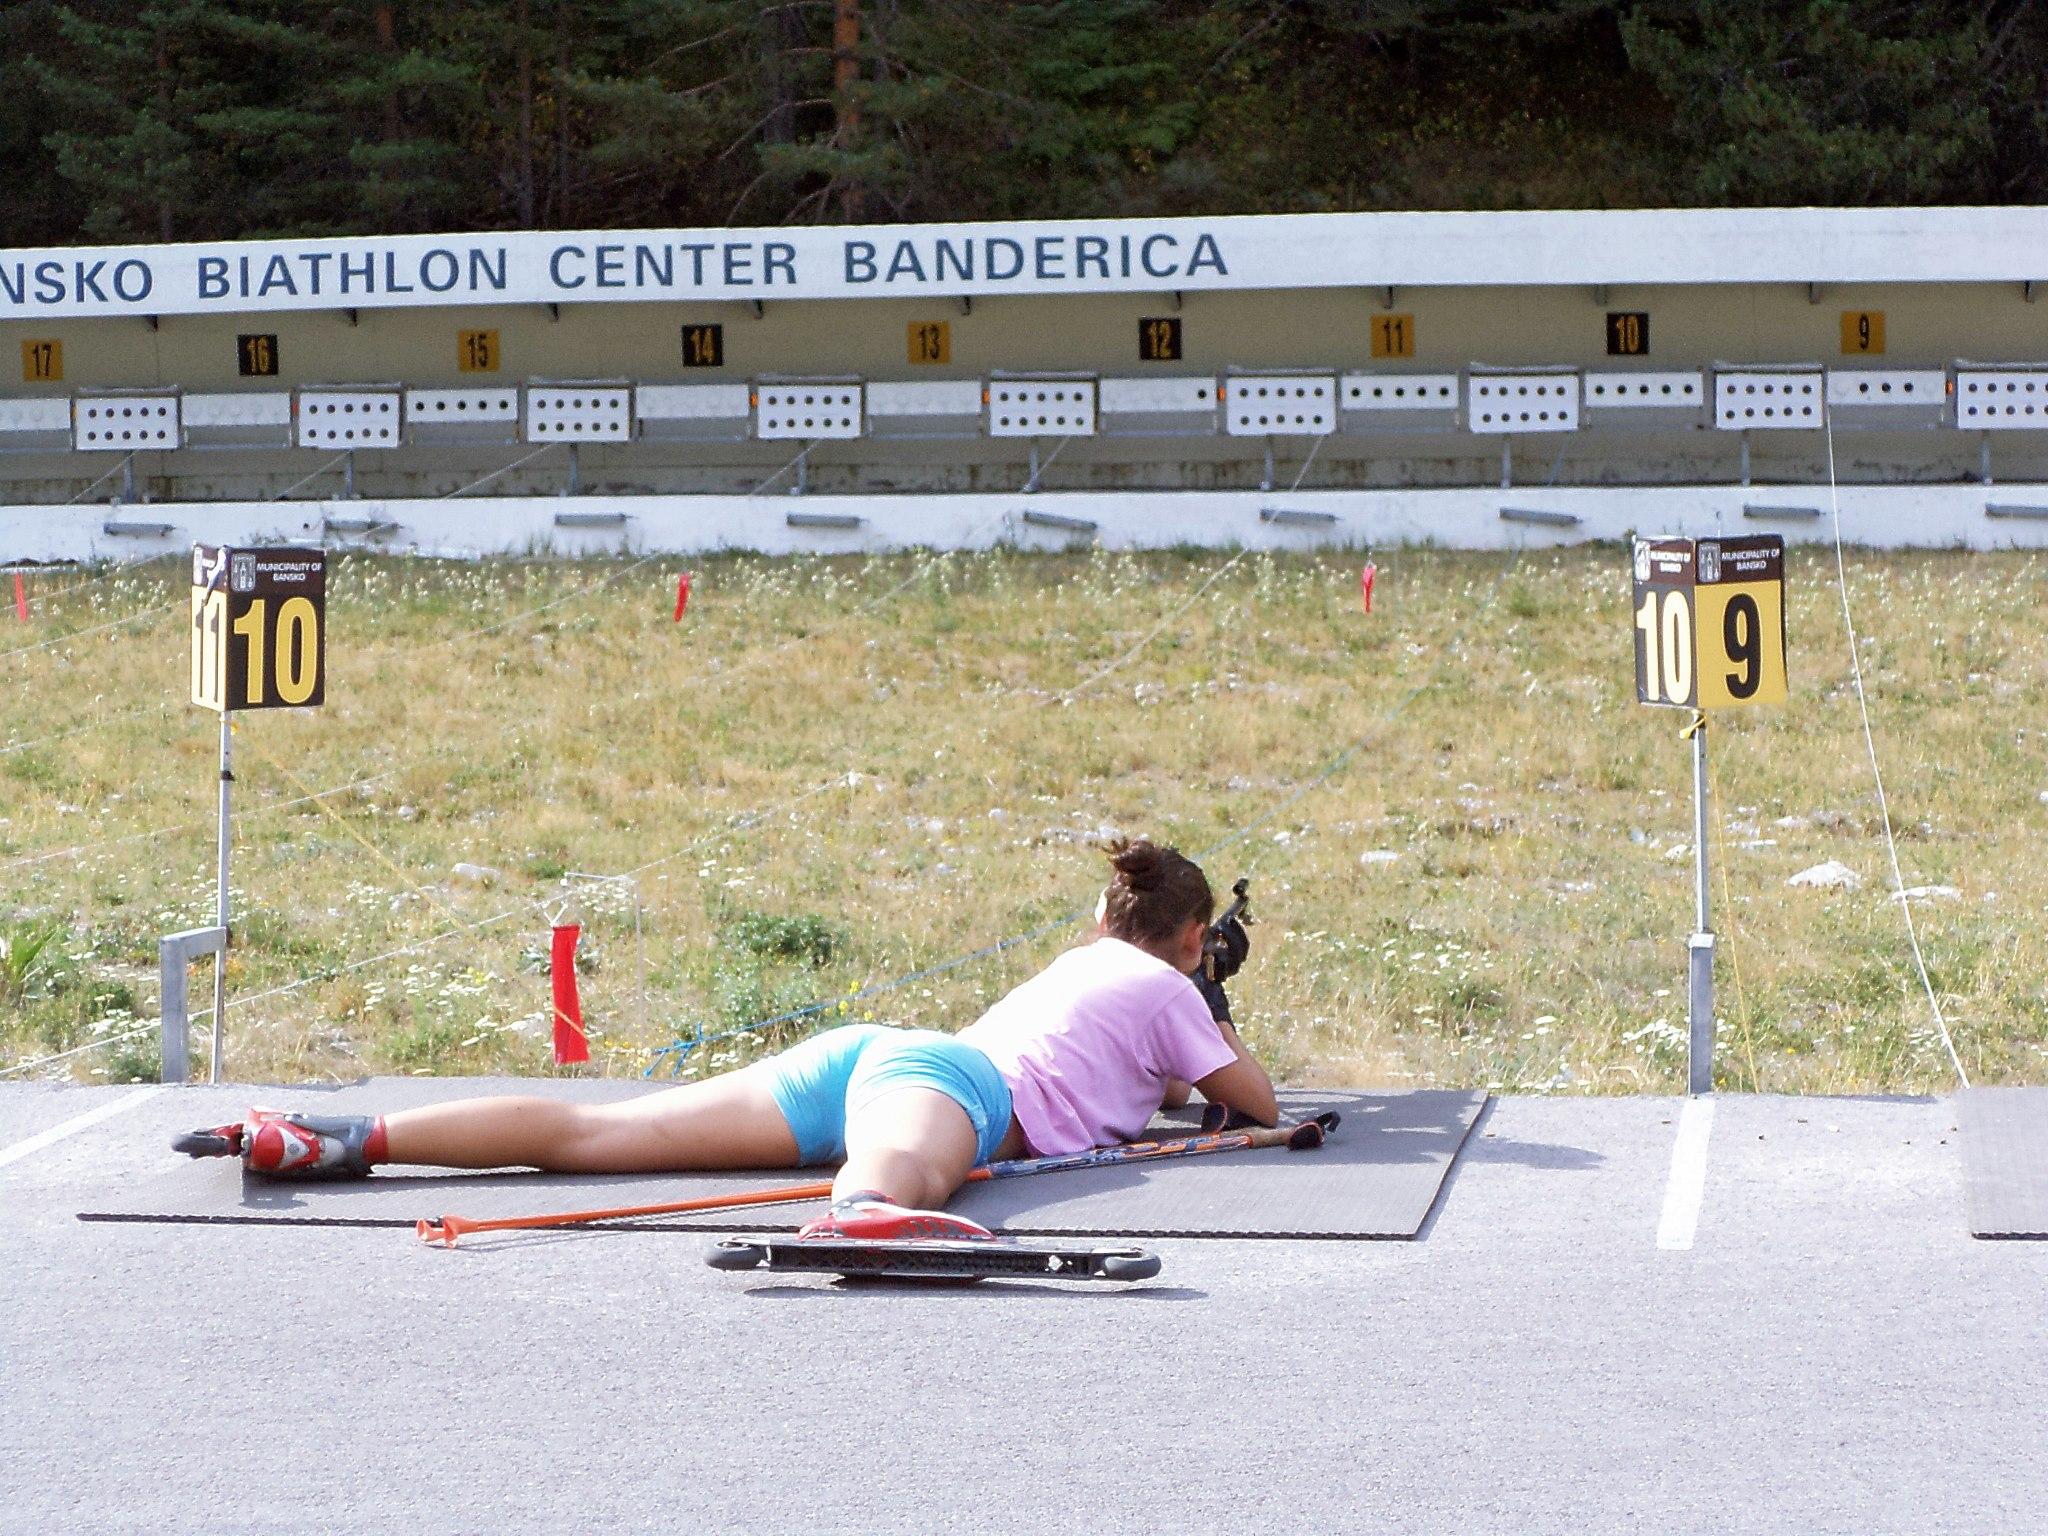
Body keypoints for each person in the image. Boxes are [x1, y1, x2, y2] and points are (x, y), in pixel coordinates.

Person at [177, 837, 1278, 1243]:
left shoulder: (1088, 960)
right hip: (950, 1083)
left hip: (877, 1058)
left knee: (593, 1135)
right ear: (1188, 937)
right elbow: (1259, 1106)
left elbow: (1150, 1079)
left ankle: (334, 1138)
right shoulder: (1163, 979)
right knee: (907, 1177)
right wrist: (1208, 999)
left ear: (1102, 918)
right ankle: (860, 1211)